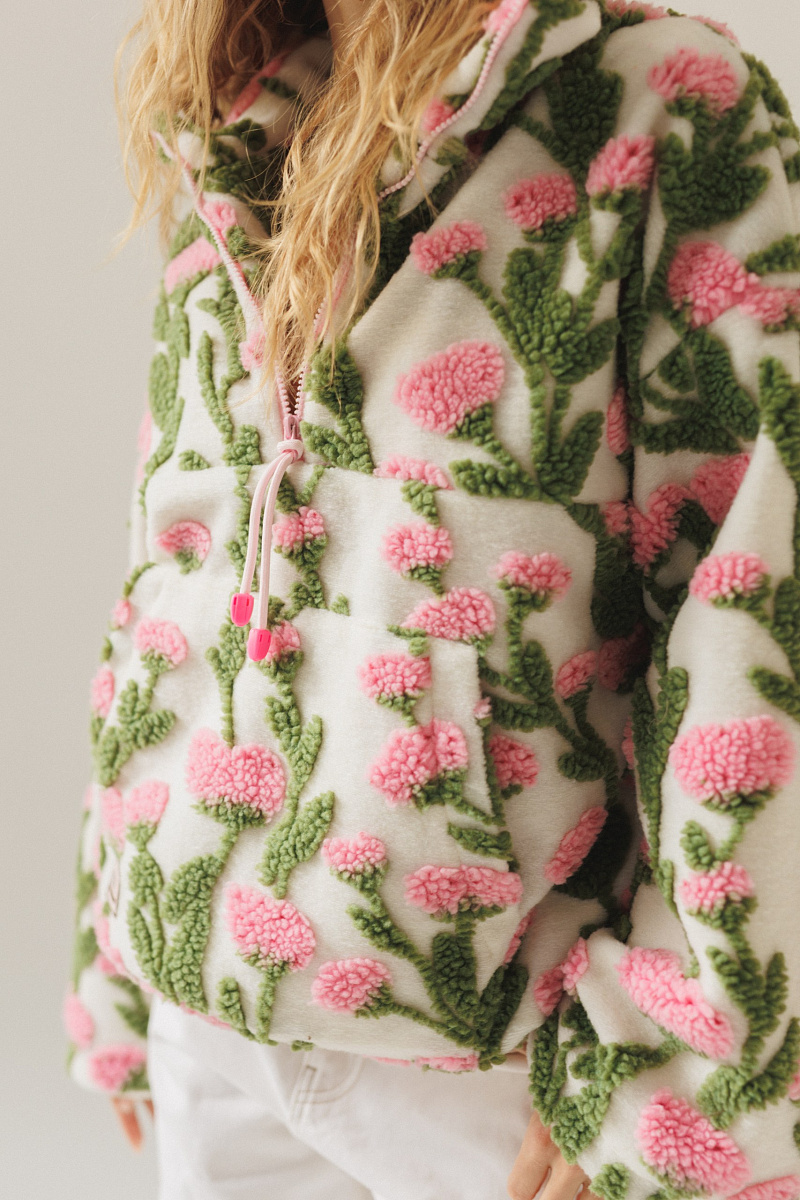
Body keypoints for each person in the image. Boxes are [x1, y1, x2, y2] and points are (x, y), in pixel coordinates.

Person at [65, 1, 800, 1198]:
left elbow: (752, 605)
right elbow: (177, 554)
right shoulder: (243, 120)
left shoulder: (658, 99)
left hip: (504, 1052)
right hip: (209, 1014)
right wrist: (117, 939)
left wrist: (672, 1069)